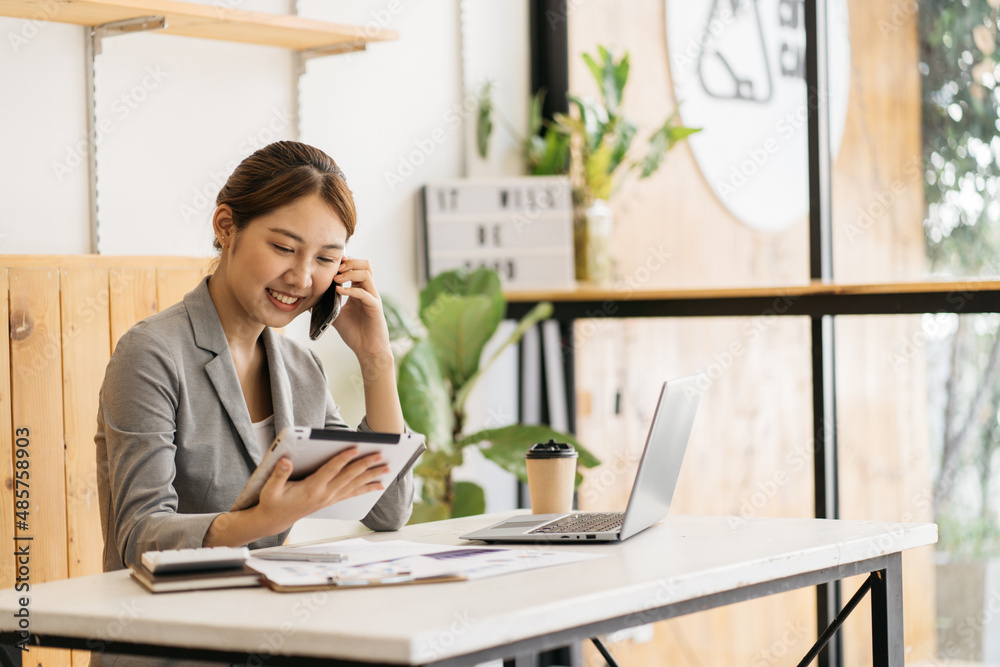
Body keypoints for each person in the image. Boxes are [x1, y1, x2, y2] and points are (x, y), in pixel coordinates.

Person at [93, 141, 420, 666]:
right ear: (226, 226)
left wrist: (376, 360)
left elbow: (387, 510)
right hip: (169, 649)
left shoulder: (300, 369)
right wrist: (259, 520)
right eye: (285, 248)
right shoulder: (153, 353)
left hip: (267, 642)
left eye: (326, 259)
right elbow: (139, 537)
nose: (302, 277)